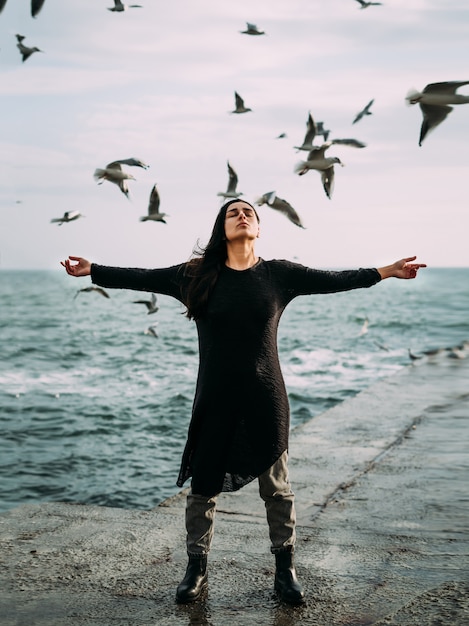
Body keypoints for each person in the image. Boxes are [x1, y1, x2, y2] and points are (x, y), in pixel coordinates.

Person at [61, 198, 426, 605]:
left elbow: (333, 279)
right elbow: (144, 276)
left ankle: (285, 569)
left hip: (266, 396)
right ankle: (195, 568)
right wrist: (93, 270)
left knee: (278, 488)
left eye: (249, 212)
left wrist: (386, 272)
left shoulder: (278, 275)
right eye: (233, 212)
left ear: (259, 227)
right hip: (214, 397)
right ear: (222, 227)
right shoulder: (195, 276)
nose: (242, 215)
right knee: (203, 486)